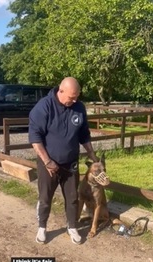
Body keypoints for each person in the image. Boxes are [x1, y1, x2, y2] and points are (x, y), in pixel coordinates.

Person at [29, 77, 99, 245]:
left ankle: (72, 227)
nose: (74, 100)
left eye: (77, 97)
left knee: (73, 197)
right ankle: (42, 227)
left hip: (71, 163)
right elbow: (35, 137)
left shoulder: (79, 108)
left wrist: (91, 154)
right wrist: (47, 161)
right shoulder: (44, 107)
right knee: (45, 197)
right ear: (60, 91)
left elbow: (84, 134)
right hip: (49, 163)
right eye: (71, 97)